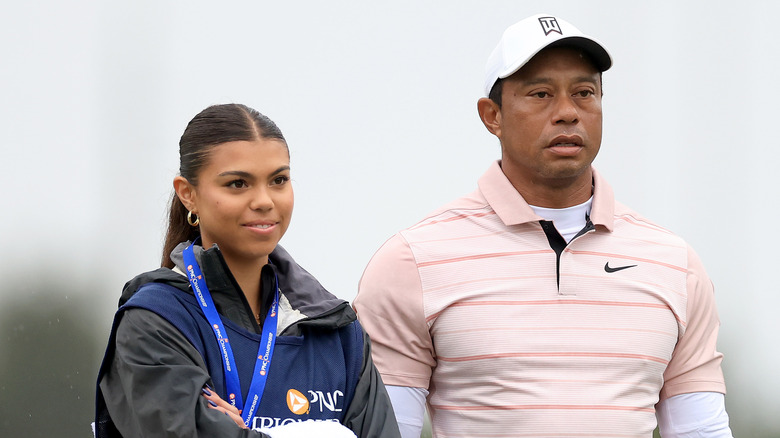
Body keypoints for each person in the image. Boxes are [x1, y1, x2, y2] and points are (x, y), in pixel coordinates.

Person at [353, 14, 733, 437]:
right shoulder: (412, 262)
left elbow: (701, 430)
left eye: (584, 93)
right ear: (492, 116)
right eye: (541, 94)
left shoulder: (675, 264)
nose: (568, 113)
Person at [95, 103, 400, 438]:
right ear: (188, 195)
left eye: (278, 180)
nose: (264, 201)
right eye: (238, 184)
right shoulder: (154, 322)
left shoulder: (337, 330)